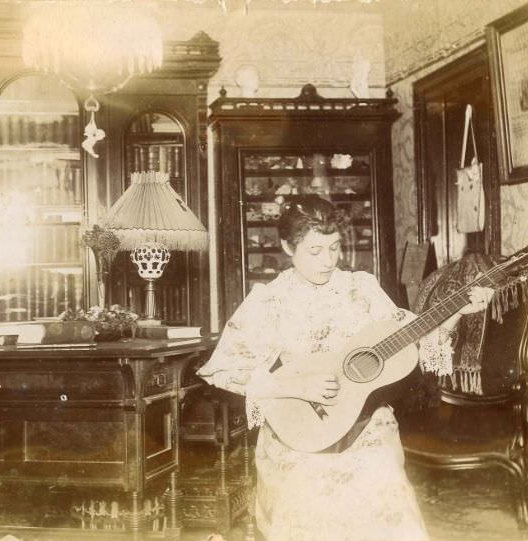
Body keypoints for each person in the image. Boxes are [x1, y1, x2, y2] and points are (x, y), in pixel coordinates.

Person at [197, 195, 494, 541]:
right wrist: (297, 386)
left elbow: (412, 344)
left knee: (382, 485)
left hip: (364, 424)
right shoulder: (269, 299)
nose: (328, 260)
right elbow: (223, 368)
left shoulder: (361, 288)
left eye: (334, 247)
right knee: (304, 495)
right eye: (314, 251)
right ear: (287, 248)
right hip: (301, 429)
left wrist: (456, 314)